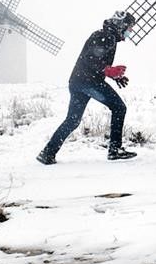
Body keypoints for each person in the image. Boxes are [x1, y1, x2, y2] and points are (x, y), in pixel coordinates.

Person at [37, 11, 138, 165]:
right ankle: (115, 149)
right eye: (129, 28)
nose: (130, 31)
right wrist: (108, 70)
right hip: (89, 82)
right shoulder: (106, 37)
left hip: (77, 82)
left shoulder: (104, 35)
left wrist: (114, 75)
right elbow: (91, 60)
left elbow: (93, 62)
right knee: (119, 107)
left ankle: (47, 153)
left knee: (72, 120)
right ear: (122, 25)